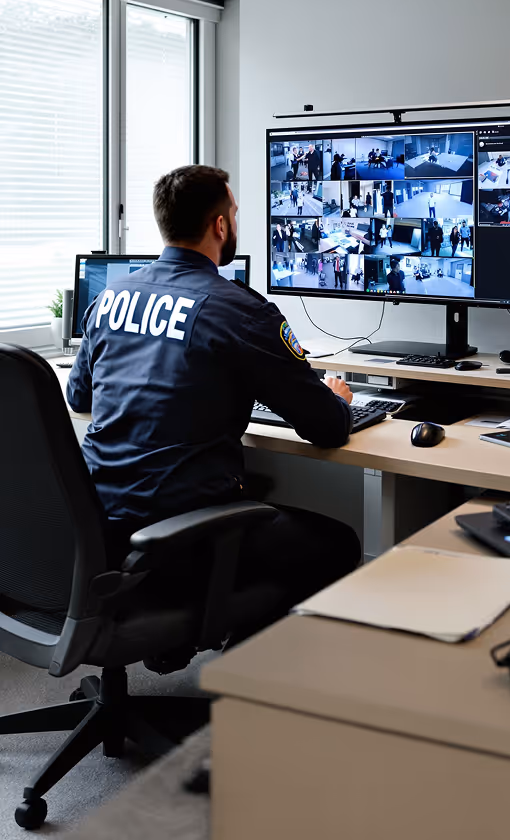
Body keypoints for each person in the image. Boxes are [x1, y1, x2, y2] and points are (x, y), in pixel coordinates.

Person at [67, 165, 360, 641]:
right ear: (220, 226)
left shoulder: (111, 297)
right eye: (235, 213)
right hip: (181, 539)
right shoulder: (242, 311)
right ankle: (246, 686)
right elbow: (327, 427)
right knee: (337, 542)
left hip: (96, 528)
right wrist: (337, 397)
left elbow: (79, 397)